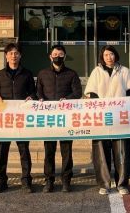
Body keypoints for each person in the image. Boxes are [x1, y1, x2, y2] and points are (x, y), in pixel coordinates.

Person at [84, 45, 130, 196]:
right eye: (106, 55)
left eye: (112, 54)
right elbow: (91, 93)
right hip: (101, 118)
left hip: (120, 117)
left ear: (116, 55)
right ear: (102, 57)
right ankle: (104, 184)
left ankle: (122, 183)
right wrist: (102, 108)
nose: (109, 57)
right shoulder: (96, 71)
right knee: (101, 152)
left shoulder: (124, 71)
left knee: (122, 152)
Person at [36, 45, 82, 193]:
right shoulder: (42, 74)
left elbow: (77, 93)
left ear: (65, 56)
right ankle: (49, 181)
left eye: (60, 54)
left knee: (66, 151)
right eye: (55, 54)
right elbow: (38, 92)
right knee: (49, 151)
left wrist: (67, 99)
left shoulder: (72, 74)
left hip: (65, 118)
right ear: (50, 57)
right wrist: (40, 99)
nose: (57, 57)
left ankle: (66, 181)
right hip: (49, 118)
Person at [0, 42, 37, 193]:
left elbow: (34, 92)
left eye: (16, 53)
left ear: (20, 56)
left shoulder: (27, 74)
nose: (13, 56)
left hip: (21, 118)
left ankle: (26, 181)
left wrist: (31, 97)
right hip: (4, 119)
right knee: (2, 151)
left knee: (24, 150)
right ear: (6, 56)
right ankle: (1, 181)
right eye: (10, 53)